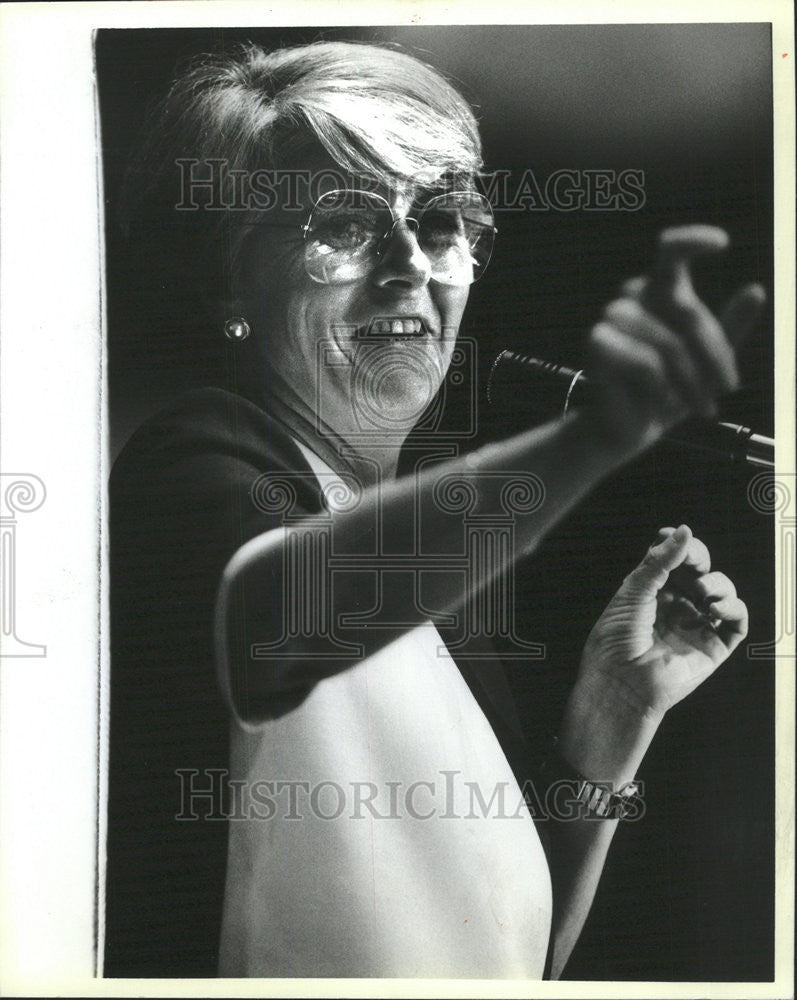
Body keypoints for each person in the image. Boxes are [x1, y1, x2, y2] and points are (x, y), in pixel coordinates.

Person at [104, 40, 765, 979]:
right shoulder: (203, 468)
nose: (411, 264)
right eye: (343, 222)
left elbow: (499, 960)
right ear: (223, 278)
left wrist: (608, 724)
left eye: (445, 220)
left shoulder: (423, 592)